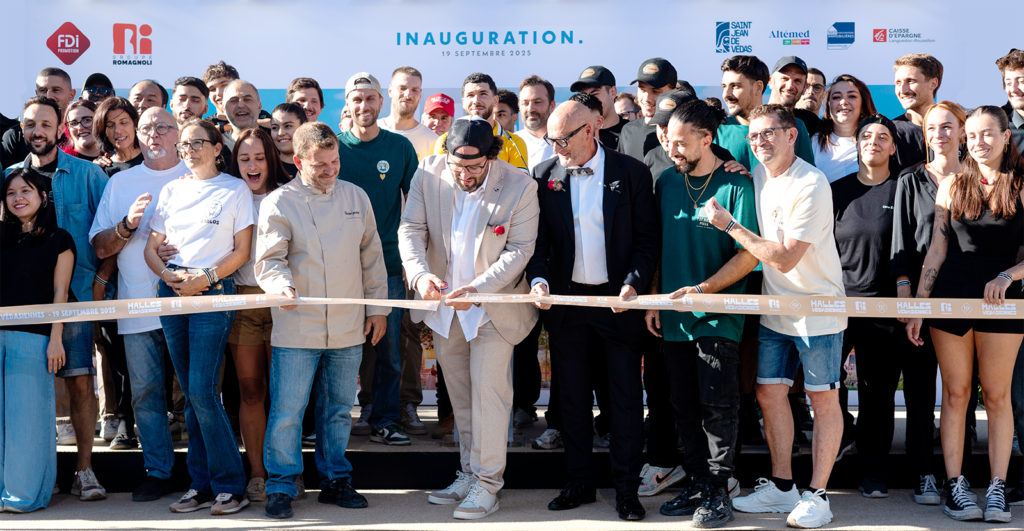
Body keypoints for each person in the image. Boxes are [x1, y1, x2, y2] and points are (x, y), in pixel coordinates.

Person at [707, 104, 846, 529]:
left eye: (769, 133)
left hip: (818, 310)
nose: (760, 142)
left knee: (822, 401)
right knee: (769, 395)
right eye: (753, 137)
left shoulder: (812, 183)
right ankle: (783, 487)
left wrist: (730, 226)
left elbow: (784, 259)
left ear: (792, 135)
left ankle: (818, 495)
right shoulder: (757, 170)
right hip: (775, 308)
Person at [399, 116, 540, 519]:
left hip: (494, 307)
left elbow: (519, 250)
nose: (464, 175)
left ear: (491, 157)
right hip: (445, 307)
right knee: (461, 397)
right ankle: (469, 471)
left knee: (489, 394)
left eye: (474, 167)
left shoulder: (520, 186)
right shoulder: (429, 172)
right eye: (457, 167)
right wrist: (421, 274)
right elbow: (410, 228)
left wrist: (477, 289)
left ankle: (488, 484)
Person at [527, 100, 659, 521]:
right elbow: (540, 244)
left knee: (623, 401)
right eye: (551, 139)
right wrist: (539, 280)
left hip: (617, 306)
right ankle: (579, 480)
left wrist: (633, 283)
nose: (557, 147)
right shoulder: (544, 175)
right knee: (572, 400)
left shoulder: (631, 173)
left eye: (563, 139)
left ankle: (626, 489)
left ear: (594, 128)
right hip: (567, 307)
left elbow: (646, 241)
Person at [256, 121, 389, 519]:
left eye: (334, 162)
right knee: (288, 411)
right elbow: (270, 261)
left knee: (336, 410)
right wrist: (281, 287)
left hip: (348, 326)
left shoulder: (356, 196)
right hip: (298, 326)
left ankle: (335, 480)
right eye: (320, 165)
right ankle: (281, 485)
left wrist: (378, 308)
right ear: (298, 161)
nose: (330, 170)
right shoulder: (279, 203)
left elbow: (372, 257)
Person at [906, 106, 1024, 524]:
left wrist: (1007, 276)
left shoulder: (1023, 185)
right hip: (951, 297)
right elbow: (937, 250)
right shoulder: (952, 185)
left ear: (1006, 137)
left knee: (996, 395)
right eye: (971, 135)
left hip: (1002, 300)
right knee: (955, 394)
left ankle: (996, 488)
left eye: (988, 134)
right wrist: (920, 304)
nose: (978, 142)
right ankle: (955, 485)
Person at [646, 99, 759, 527]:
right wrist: (657, 296)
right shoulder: (666, 184)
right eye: (668, 141)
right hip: (674, 314)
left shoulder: (737, 186)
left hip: (719, 313)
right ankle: (696, 483)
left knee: (719, 406)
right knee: (683, 406)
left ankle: (717, 492)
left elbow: (748, 256)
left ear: (706, 139)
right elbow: (656, 245)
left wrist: (703, 291)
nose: (671, 149)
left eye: (679, 143)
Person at [143, 118, 253, 515]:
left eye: (197, 143)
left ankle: (231, 486)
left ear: (217, 147)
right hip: (171, 292)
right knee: (191, 394)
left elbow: (241, 251)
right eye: (184, 145)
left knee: (204, 391)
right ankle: (201, 485)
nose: (188, 150)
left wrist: (203, 278)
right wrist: (168, 275)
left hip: (213, 292)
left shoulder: (235, 189)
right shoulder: (171, 190)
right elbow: (152, 249)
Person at [4, 96, 108, 502]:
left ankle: (85, 470)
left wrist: (100, 283)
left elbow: (109, 234)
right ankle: (28, 473)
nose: (37, 131)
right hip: (22, 307)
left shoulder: (87, 175)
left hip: (75, 299)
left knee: (80, 382)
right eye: (30, 124)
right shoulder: (10, 177)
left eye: (45, 124)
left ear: (59, 128)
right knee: (25, 392)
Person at [88, 107, 185, 501]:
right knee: (145, 393)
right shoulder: (121, 183)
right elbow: (99, 246)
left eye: (164, 127)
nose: (155, 134)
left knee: (198, 392)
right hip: (137, 306)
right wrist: (127, 225)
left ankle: (205, 472)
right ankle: (158, 471)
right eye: (147, 128)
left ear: (179, 132)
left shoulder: (198, 177)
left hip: (189, 306)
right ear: (135, 136)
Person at [892, 101, 968, 507]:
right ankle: (923, 473)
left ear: (962, 131)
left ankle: (960, 474)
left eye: (948, 126)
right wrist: (905, 289)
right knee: (920, 389)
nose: (939, 134)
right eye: (932, 128)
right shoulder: (910, 179)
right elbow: (902, 240)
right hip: (920, 300)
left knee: (961, 392)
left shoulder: (979, 178)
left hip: (967, 296)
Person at [336, 73, 417, 446]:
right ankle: (336, 422)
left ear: (381, 103)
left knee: (388, 350)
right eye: (357, 99)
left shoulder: (400, 148)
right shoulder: (332, 148)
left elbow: (417, 211)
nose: (364, 106)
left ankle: (385, 418)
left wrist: (412, 258)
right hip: (336, 269)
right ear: (347, 104)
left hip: (387, 265)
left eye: (370, 99)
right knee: (337, 347)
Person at [829, 115, 907, 500]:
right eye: (866, 136)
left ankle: (873, 471)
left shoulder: (904, 190)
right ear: (856, 144)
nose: (873, 141)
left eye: (882, 137)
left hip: (884, 309)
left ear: (893, 146)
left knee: (878, 394)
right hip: (838, 305)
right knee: (828, 387)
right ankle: (842, 444)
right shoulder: (835, 191)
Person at [0, 168, 75, 512]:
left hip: (34, 339)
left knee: (27, 421)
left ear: (43, 196)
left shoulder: (59, 239)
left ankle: (24, 496)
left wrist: (56, 338)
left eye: (26, 190)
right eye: (11, 192)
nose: (18, 197)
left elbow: (61, 292)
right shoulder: (1, 236)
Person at [223, 127, 290, 503]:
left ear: (271, 159)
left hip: (282, 302)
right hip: (242, 302)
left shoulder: (289, 195)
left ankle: (285, 470)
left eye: (259, 158)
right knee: (251, 391)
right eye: (244, 158)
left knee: (285, 394)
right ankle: (258, 473)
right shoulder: (226, 195)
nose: (252, 165)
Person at [997, 48, 1024, 506]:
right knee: (1018, 390)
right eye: (1009, 81)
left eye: (1022, 80)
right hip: (1013, 280)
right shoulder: (999, 131)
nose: (1015, 87)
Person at [716, 56, 815, 171]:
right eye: (724, 87)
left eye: (735, 86)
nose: (726, 94)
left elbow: (808, 175)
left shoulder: (793, 126)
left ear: (758, 87)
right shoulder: (717, 131)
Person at [432, 73, 528, 171]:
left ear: (495, 100)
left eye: (483, 94)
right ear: (463, 102)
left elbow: (518, 184)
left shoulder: (514, 143)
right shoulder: (445, 140)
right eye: (470, 95)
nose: (476, 101)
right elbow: (439, 182)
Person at [1, 68, 76, 169]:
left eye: (56, 90)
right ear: (37, 93)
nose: (49, 96)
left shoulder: (80, 132)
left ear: (71, 95)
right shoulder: (14, 136)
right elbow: (8, 179)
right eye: (43, 90)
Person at [812, 75, 877, 183]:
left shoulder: (875, 142)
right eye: (836, 97)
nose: (843, 102)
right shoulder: (814, 140)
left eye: (851, 96)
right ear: (828, 106)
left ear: (863, 105)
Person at [618, 57, 677, 161]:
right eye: (642, 89)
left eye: (656, 91)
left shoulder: (682, 133)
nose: (647, 98)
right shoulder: (628, 131)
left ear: (673, 91)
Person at [892, 54, 943, 172]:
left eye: (910, 81)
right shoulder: (890, 132)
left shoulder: (958, 128)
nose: (903, 90)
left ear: (933, 84)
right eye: (898, 83)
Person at [378, 67, 438, 160]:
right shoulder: (371, 130)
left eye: (414, 90)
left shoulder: (432, 141)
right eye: (402, 88)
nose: (408, 95)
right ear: (390, 91)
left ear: (420, 95)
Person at [571, 66, 625, 150]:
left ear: (613, 92)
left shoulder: (631, 132)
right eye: (583, 95)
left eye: (595, 94)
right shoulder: (577, 136)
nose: (588, 101)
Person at [768, 56, 821, 136]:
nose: (790, 86)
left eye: (797, 81)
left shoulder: (810, 121)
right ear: (771, 82)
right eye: (784, 78)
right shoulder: (753, 118)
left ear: (804, 88)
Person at [516, 75, 557, 172]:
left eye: (537, 102)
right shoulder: (509, 144)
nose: (530, 109)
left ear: (552, 106)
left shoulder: (566, 142)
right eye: (525, 103)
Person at [94, 97, 143, 177]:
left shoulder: (152, 159)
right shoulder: (103, 170)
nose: (117, 130)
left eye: (123, 123)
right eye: (110, 125)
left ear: (135, 124)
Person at [222, 80, 266, 152]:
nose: (241, 105)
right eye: (233, 100)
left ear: (259, 107)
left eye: (247, 99)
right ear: (224, 109)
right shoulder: (216, 145)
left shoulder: (276, 141)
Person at [270, 103, 307, 178]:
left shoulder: (315, 167)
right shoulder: (266, 169)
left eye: (288, 126)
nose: (280, 133)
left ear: (303, 127)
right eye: (275, 128)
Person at [203, 61, 240, 134]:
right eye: (212, 89)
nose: (218, 93)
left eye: (224, 85)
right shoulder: (204, 126)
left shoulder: (258, 117)